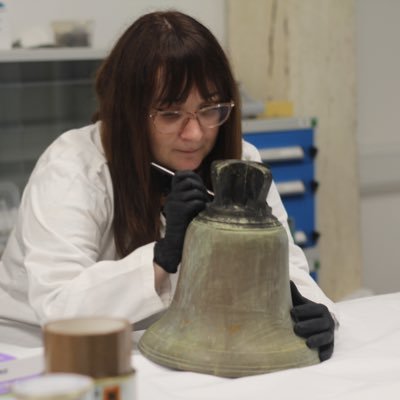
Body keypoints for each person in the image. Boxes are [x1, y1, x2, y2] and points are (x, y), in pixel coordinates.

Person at [0, 10, 335, 360]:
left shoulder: (239, 162)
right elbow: (59, 307)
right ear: (127, 112)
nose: (195, 134)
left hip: (180, 345)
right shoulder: (73, 168)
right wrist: (164, 256)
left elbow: (287, 265)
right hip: (41, 352)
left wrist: (318, 311)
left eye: (210, 109)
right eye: (170, 114)